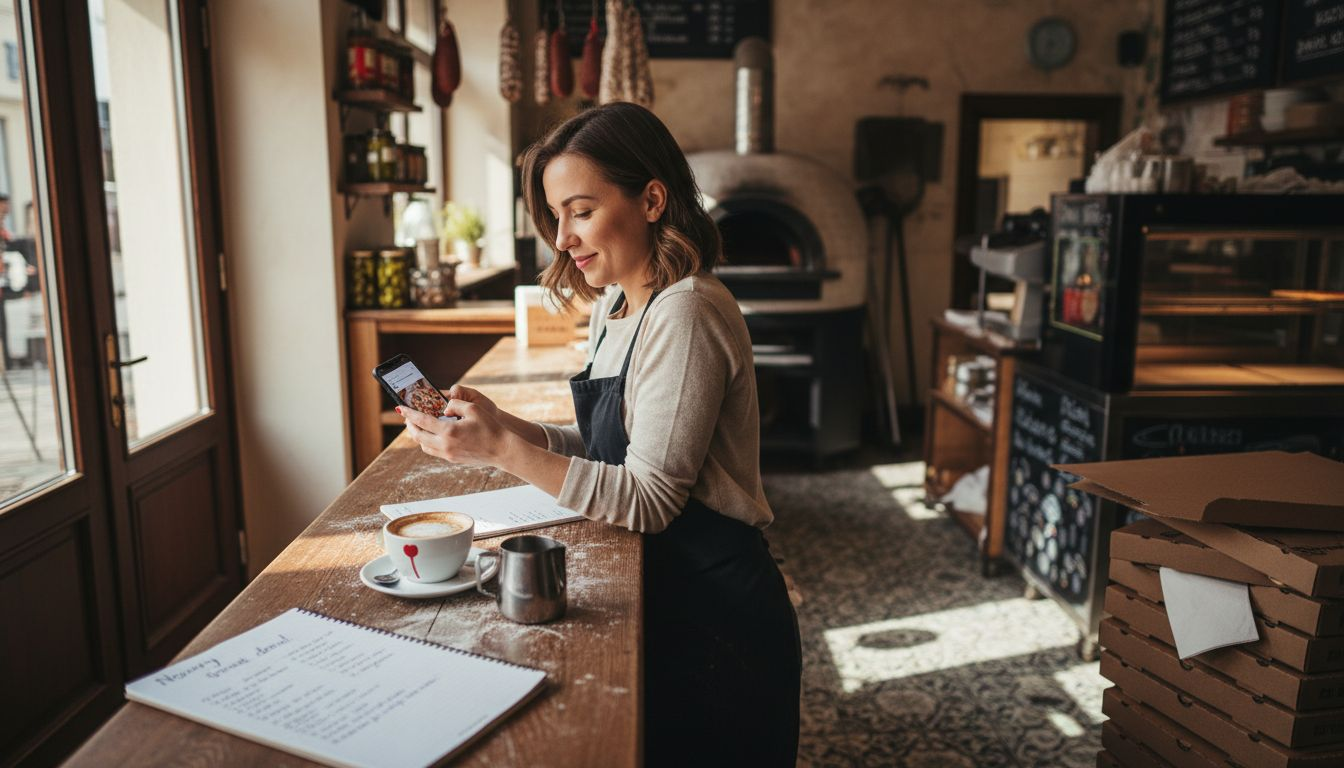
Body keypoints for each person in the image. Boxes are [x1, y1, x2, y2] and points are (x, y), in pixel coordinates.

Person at [397, 102, 801, 766]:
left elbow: (647, 499)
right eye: (557, 216)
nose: (563, 238)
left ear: (650, 200)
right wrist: (505, 426)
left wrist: (502, 452)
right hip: (663, 589)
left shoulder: (688, 313)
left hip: (716, 615)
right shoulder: (617, 303)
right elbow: (616, 450)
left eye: (580, 212)